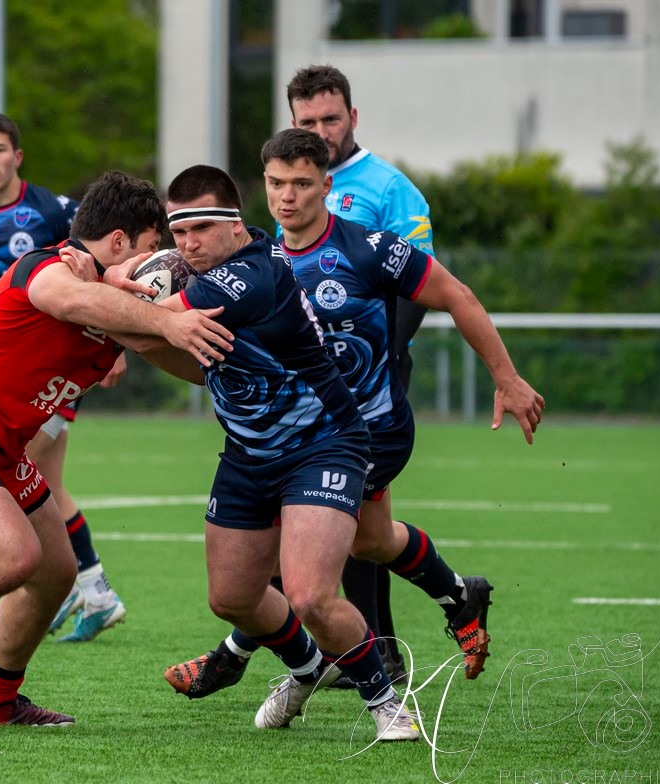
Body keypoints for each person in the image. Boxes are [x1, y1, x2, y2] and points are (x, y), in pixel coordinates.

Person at [165, 130, 546, 708]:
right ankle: (458, 595)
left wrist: (507, 377)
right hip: (297, 433)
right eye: (275, 184)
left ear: (327, 185)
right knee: (369, 542)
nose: (286, 197)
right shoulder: (248, 260)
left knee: (298, 566)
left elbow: (457, 295)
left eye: (300, 183)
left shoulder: (367, 249)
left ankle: (243, 658)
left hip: (366, 430)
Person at [0, 170, 234, 728]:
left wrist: (197, 337)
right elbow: (73, 299)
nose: (163, 264)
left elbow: (182, 360)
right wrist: (162, 318)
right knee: (13, 555)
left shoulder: (113, 300)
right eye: (154, 249)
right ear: (119, 242)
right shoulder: (49, 268)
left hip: (2, 454)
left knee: (56, 571)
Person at [140, 163, 420, 741]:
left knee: (312, 595)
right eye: (178, 232)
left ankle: (385, 703)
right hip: (248, 455)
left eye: (201, 228)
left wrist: (104, 295)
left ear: (236, 224)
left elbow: (151, 321)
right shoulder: (206, 274)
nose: (188, 244)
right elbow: (189, 361)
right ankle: (307, 669)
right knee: (233, 598)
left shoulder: (251, 275)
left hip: (325, 443)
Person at [0, 112, 126, 643]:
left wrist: (115, 344)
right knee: (43, 484)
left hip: (48, 366)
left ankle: (81, 585)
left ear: (17, 157)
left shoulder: (52, 210)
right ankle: (84, 584)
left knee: (36, 481)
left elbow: (103, 267)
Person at [297, 63, 438, 679]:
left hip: (371, 376)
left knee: (348, 510)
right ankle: (369, 645)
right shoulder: (295, 183)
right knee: (347, 516)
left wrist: (387, 355)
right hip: (313, 380)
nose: (322, 130)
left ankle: (371, 648)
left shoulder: (388, 187)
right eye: (308, 121)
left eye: (331, 118)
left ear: (353, 118)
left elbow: (421, 285)